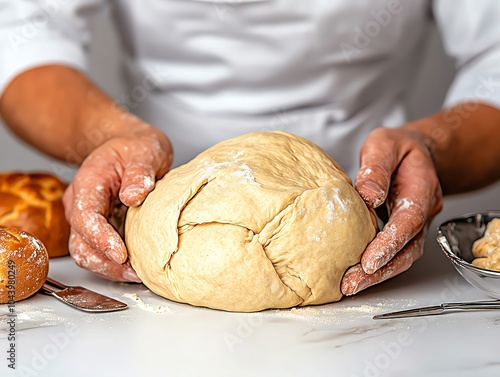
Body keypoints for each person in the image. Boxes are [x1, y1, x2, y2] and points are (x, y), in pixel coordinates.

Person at [0, 1, 499, 295]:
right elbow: (26, 31)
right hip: (151, 190)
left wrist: (431, 149)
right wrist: (109, 136)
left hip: (368, 194)